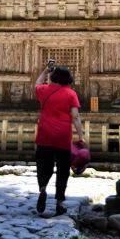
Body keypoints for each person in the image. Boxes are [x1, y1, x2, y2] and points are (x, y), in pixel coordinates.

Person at [35, 61, 85, 216]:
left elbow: (37, 83)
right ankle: (59, 202)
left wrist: (45, 71)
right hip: (63, 136)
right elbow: (75, 117)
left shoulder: (43, 90)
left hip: (44, 135)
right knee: (63, 170)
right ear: (68, 79)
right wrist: (81, 136)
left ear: (53, 76)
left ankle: (43, 189)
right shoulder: (71, 94)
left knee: (44, 165)